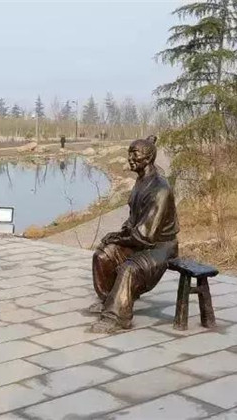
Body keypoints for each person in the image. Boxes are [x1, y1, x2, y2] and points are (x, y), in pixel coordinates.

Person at [89, 135, 179, 333]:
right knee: (102, 255)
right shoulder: (141, 181)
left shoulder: (160, 189)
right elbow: (133, 222)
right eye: (129, 154)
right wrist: (117, 236)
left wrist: (118, 237)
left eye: (134, 154)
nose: (130, 159)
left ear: (148, 158)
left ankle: (116, 317)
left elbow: (146, 235)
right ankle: (110, 300)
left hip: (161, 246)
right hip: (140, 240)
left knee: (129, 268)